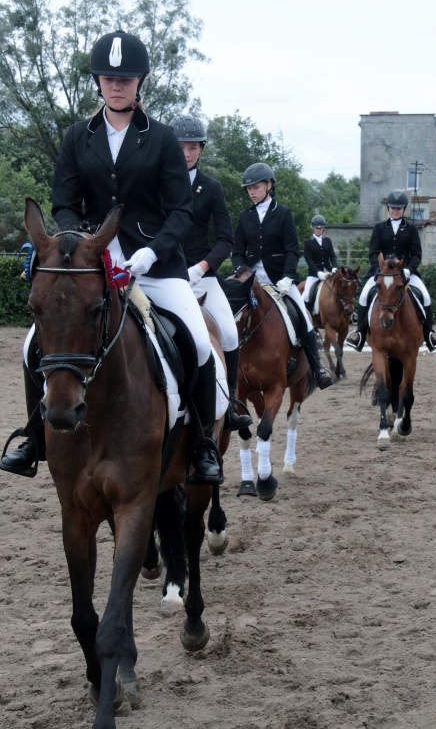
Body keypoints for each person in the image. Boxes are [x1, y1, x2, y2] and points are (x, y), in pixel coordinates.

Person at [1, 30, 222, 484]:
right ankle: (35, 439)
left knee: (199, 343)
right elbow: (63, 202)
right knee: (31, 346)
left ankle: (201, 445)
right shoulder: (76, 137)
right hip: (89, 264)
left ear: (139, 81)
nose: (116, 85)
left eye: (125, 78)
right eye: (108, 78)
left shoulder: (161, 139)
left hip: (155, 264)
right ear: (98, 82)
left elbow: (180, 210)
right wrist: (83, 240)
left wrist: (149, 252)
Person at [169, 114, 252, 431]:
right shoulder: (158, 185)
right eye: (181, 147)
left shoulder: (212, 188)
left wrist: (201, 268)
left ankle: (229, 404)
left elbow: (226, 240)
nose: (186, 153)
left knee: (229, 334)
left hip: (202, 274)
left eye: (192, 147)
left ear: (201, 150)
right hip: (164, 273)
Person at [232, 163, 335, 390]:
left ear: (269, 186)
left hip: (280, 279)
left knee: (303, 316)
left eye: (256, 187)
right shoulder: (244, 216)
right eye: (248, 188)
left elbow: (291, 250)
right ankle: (227, 369)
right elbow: (238, 252)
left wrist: (288, 277)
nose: (251, 191)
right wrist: (241, 271)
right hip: (251, 279)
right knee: (230, 314)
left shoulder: (283, 213)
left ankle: (317, 368)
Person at [346, 189, 436, 352]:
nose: (395, 210)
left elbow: (416, 254)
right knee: (364, 296)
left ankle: (429, 336)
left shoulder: (411, 229)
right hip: (383, 273)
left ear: (403, 209)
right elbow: (372, 252)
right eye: (392, 207)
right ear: (388, 208)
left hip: (404, 274)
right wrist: (379, 269)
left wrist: (408, 270)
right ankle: (360, 335)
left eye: (398, 208)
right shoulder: (379, 228)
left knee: (425, 296)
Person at [302, 214, 338, 312]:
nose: (318, 230)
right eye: (316, 228)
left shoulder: (327, 241)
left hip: (328, 272)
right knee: (306, 296)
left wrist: (334, 267)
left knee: (340, 289)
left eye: (320, 228)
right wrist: (317, 272)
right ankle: (309, 318)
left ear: (323, 228)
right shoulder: (308, 242)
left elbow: (333, 256)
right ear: (313, 228)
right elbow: (309, 260)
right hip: (314, 274)